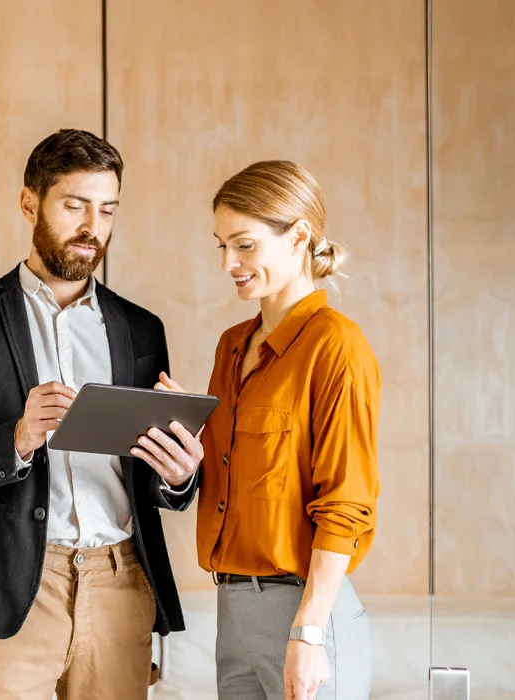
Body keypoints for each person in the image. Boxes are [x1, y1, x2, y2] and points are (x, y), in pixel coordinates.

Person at [0, 128, 202, 699]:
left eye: (108, 209)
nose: (93, 226)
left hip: (121, 583)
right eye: (75, 205)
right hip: (13, 583)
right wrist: (19, 437)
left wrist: (179, 476)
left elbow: (153, 479)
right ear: (29, 203)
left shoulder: (142, 330)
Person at [171, 160, 380, 700]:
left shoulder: (336, 347)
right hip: (231, 608)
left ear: (299, 238)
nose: (228, 264)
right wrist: (183, 457)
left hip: (304, 614)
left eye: (244, 245)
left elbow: (347, 503)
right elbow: (226, 483)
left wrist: (309, 631)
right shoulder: (231, 346)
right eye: (221, 245)